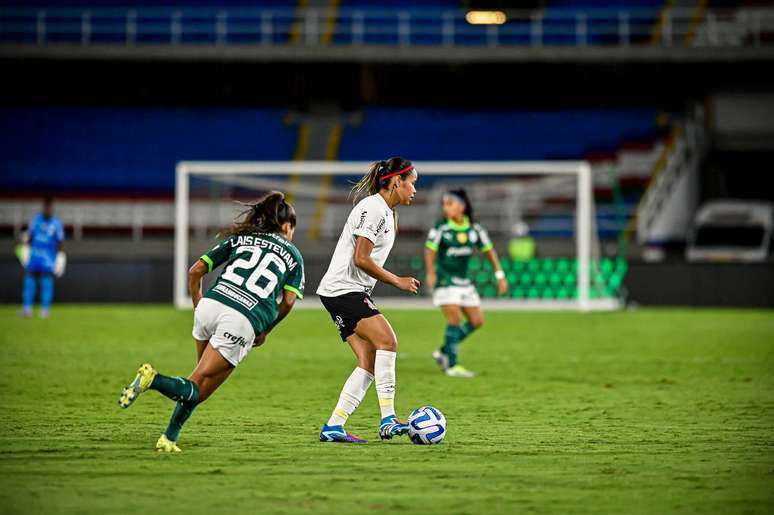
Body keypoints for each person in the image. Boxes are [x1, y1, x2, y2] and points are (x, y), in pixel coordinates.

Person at [118, 191, 304, 452]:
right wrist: (266, 330)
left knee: (195, 382)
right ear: (287, 226)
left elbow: (196, 271)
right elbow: (288, 302)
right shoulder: (293, 255)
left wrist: (198, 307)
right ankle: (153, 379)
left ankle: (169, 438)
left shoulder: (243, 237)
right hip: (241, 320)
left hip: (210, 306)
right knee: (199, 389)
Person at [316, 157, 419, 444]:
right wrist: (396, 280)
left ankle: (334, 425)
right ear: (396, 181)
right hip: (343, 289)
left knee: (368, 360)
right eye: (412, 183)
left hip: (341, 291)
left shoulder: (384, 211)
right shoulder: (373, 208)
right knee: (388, 340)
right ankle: (388, 419)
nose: (414, 190)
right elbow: (360, 258)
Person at [424, 189, 508, 378]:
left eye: (450, 203)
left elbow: (489, 251)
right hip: (445, 280)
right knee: (454, 319)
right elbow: (429, 250)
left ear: (462, 206)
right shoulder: (441, 227)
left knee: (477, 321)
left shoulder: (475, 229)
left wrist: (499, 275)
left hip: (464, 283)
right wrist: (430, 273)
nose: (446, 208)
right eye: (444, 204)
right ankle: (452, 365)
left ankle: (444, 350)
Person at [20, 197, 66, 319]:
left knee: (46, 282)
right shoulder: (36, 221)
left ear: (52, 209)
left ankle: (45, 311)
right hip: (35, 256)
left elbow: (60, 243)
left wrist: (60, 258)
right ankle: (27, 309)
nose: (47, 210)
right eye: (46, 207)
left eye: (49, 208)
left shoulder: (56, 224)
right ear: (43, 208)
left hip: (48, 258)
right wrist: (25, 251)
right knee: (29, 280)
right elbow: (29, 238)